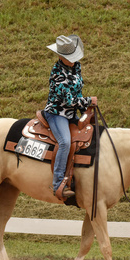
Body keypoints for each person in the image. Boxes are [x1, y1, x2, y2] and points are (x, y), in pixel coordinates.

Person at [44, 34, 97, 199]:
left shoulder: (76, 66)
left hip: (71, 113)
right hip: (57, 113)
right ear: (60, 56)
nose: (73, 60)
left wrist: (84, 110)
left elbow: (77, 91)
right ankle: (58, 183)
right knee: (65, 142)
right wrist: (88, 101)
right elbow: (69, 101)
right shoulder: (58, 75)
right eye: (69, 58)